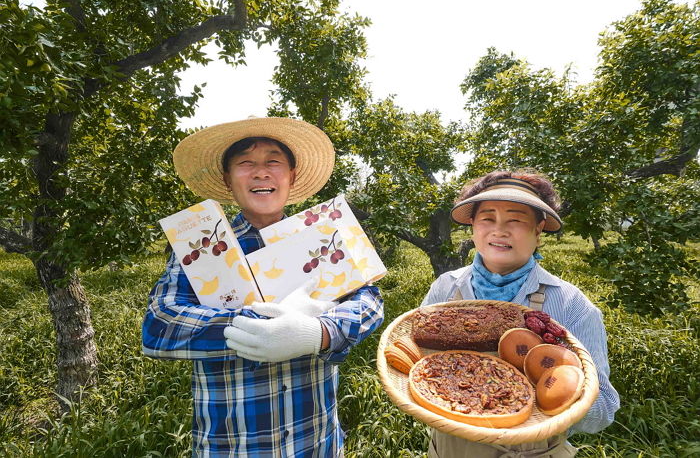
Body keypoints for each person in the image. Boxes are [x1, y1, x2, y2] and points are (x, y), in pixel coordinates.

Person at [142, 117, 384, 457]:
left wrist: (319, 332)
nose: (261, 172)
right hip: (234, 447)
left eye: (274, 161)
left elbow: (369, 298)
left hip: (317, 442)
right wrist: (252, 328)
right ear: (227, 180)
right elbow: (159, 326)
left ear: (291, 176)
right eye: (245, 163)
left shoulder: (321, 236)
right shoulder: (202, 250)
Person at [421, 170, 620, 458]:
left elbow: (603, 411)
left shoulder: (569, 305)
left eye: (515, 220)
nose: (499, 230)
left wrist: (557, 383)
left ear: (538, 231)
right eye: (487, 218)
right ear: (473, 227)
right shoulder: (446, 289)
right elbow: (417, 366)